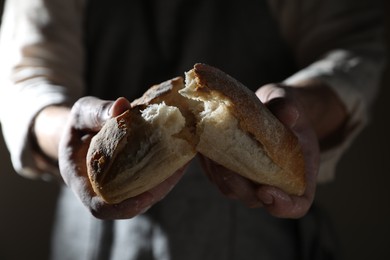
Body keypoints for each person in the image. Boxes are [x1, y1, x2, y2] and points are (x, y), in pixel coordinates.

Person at [0, 0, 385, 259]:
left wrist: (297, 112)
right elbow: (28, 75)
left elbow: (354, 44)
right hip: (94, 240)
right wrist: (67, 129)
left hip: (260, 239)